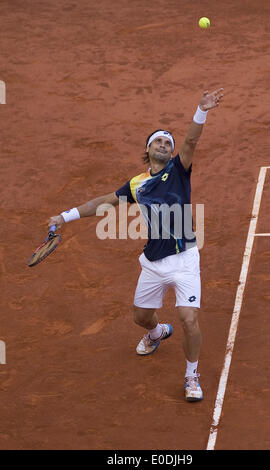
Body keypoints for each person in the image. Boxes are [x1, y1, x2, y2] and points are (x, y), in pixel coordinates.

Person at [48, 88, 224, 402]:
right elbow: (103, 202)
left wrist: (202, 110)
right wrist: (65, 216)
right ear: (147, 151)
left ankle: (191, 376)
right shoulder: (136, 184)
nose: (164, 144)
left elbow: (192, 141)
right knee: (141, 317)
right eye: (158, 140)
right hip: (153, 263)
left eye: (168, 142)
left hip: (185, 259)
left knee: (189, 319)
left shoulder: (179, 170)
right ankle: (157, 333)